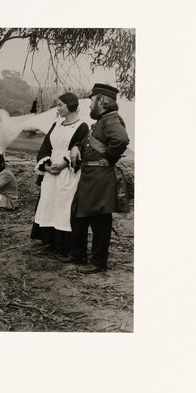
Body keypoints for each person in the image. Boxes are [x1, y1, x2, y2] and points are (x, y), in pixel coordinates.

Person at [67, 83, 130, 273]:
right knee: (79, 215)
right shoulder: (101, 122)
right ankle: (78, 256)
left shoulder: (111, 120)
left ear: (101, 100)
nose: (89, 105)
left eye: (92, 100)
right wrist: (77, 146)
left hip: (100, 177)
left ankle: (98, 262)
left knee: (100, 221)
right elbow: (86, 141)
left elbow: (121, 140)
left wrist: (109, 158)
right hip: (90, 177)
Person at [30, 92, 89, 255]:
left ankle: (64, 243)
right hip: (51, 172)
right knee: (49, 202)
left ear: (71, 106)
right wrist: (47, 165)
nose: (58, 108)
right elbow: (45, 148)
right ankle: (50, 239)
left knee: (64, 206)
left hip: (68, 172)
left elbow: (82, 149)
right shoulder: (56, 124)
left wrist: (65, 163)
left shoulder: (82, 126)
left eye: (60, 105)